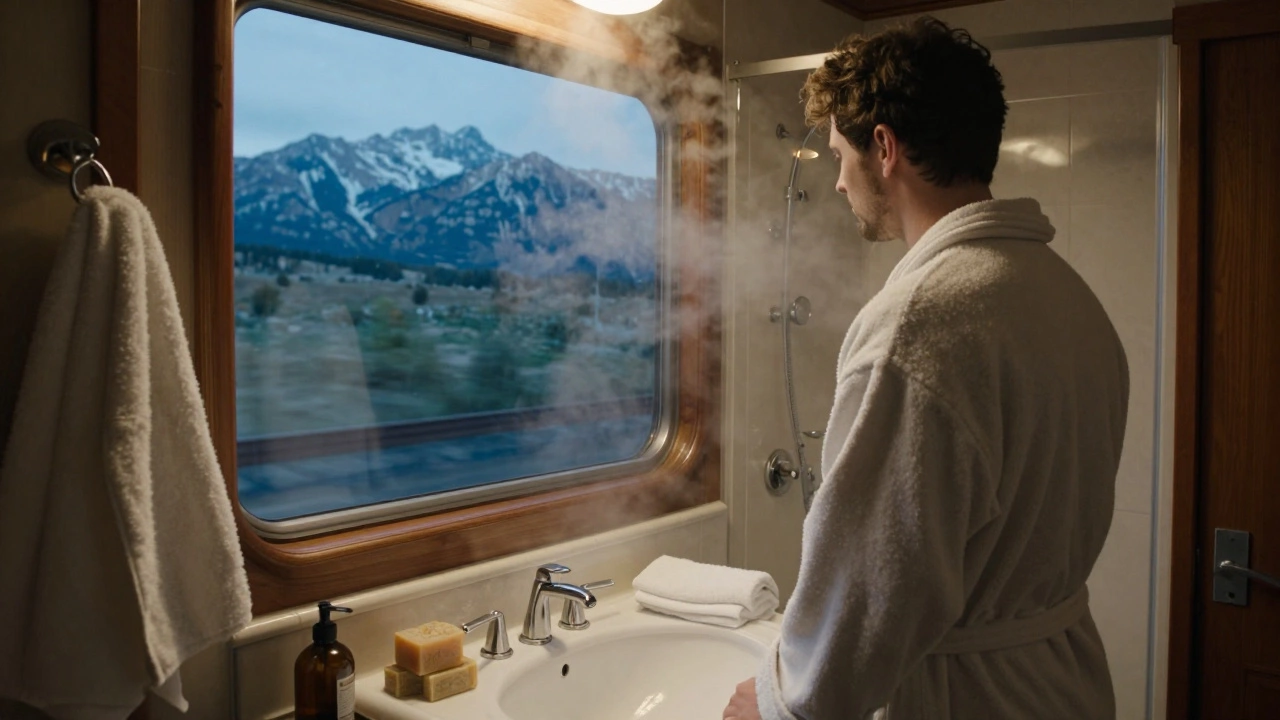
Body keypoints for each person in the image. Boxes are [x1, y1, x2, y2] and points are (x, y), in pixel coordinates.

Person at [723, 17, 1129, 720]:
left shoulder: (921, 320)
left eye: (840, 155)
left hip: (963, 700)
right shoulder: (1065, 294)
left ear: (884, 146)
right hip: (1063, 686)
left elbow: (869, 589)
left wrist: (770, 704)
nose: (841, 185)